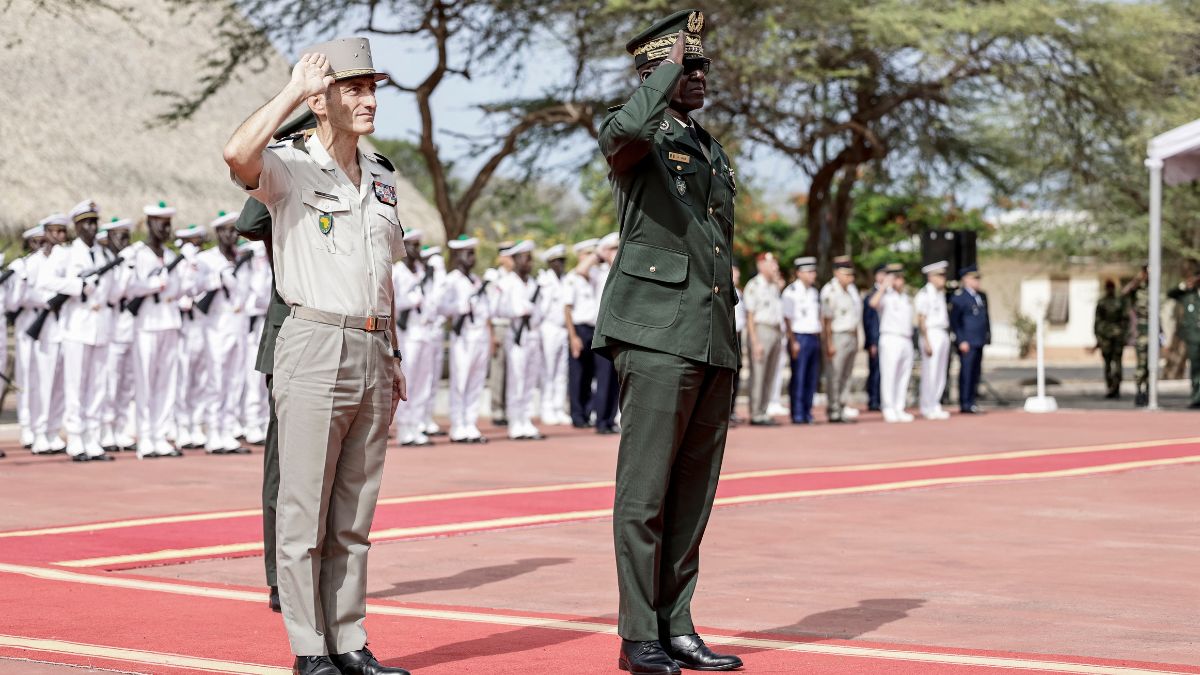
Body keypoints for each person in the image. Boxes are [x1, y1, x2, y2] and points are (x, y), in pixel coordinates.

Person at [223, 37, 410, 675]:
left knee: (354, 514)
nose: (367, 98)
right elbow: (236, 154)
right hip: (313, 341)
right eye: (352, 88)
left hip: (372, 345)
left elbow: (381, 270)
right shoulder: (289, 165)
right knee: (304, 510)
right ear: (321, 100)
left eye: (370, 87)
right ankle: (310, 648)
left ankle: (350, 641)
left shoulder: (382, 174)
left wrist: (395, 347)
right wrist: (289, 93)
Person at [593, 11, 743, 673]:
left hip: (709, 335)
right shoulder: (633, 132)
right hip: (654, 333)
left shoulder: (705, 143)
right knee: (645, 492)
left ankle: (677, 623)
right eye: (689, 66)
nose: (701, 76)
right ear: (657, 74)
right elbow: (626, 129)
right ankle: (638, 633)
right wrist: (661, 74)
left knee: (692, 493)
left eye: (704, 65)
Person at [41, 201, 119, 461]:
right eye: (86, 222)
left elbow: (113, 291)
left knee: (97, 385)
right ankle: (75, 437)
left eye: (94, 222)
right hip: (76, 327)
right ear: (75, 226)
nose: (91, 227)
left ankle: (92, 436)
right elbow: (46, 281)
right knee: (75, 385)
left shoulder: (106, 255)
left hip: (101, 326)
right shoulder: (65, 253)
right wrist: (77, 286)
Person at [195, 211, 255, 455]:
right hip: (216, 329)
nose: (232, 235)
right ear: (218, 233)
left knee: (235, 381)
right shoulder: (207, 260)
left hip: (238, 327)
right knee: (216, 381)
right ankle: (214, 431)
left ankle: (227, 430)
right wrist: (217, 280)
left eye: (234, 230)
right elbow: (195, 288)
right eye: (227, 230)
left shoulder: (243, 258)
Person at [440, 236, 494, 442]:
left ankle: (470, 423)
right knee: (460, 381)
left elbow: (487, 310)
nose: (473, 257)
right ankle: (457, 425)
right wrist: (459, 308)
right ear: (458, 255)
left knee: (476, 382)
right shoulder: (452, 280)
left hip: (479, 336)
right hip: (462, 337)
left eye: (473, 253)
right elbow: (441, 307)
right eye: (468, 253)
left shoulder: (477, 281)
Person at [29, 215, 70, 454]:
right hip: (44, 325)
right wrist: (47, 302)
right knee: (43, 383)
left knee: (59, 385)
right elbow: (29, 293)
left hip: (63, 325)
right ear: (45, 233)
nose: (60, 236)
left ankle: (54, 431)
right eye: (55, 231)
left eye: (63, 231)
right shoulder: (34, 262)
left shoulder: (66, 257)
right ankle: (39, 431)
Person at [498, 240, 546, 440]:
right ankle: (515, 421)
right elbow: (498, 309)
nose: (529, 262)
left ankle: (526, 420)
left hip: (533, 335)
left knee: (529, 380)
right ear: (516, 260)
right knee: (516, 379)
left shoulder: (535, 284)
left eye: (530, 258)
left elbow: (542, 311)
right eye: (525, 258)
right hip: (516, 334)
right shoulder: (506, 282)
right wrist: (518, 311)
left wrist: (534, 313)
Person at [391, 230, 435, 446]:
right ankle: (405, 428)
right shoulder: (397, 272)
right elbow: (390, 303)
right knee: (407, 382)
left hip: (424, 332)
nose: (417, 250)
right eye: (413, 245)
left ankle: (417, 425)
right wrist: (410, 302)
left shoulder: (423, 272)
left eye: (418, 245)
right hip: (407, 333)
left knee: (423, 383)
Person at [99, 218, 138, 453]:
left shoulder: (130, 262)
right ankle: (106, 429)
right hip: (110, 329)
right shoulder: (106, 263)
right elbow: (113, 295)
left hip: (129, 328)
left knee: (127, 384)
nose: (124, 240)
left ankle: (122, 429)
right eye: (119, 235)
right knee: (109, 383)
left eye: (126, 236)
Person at [10, 226, 46, 451]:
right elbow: (12, 303)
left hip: (46, 324)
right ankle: (26, 426)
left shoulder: (49, 265)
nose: (40, 247)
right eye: (35, 242)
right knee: (25, 378)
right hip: (26, 324)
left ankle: (41, 425)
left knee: (43, 379)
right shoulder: (20, 266)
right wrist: (22, 283)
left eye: (43, 242)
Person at [173, 223, 209, 450]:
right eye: (192, 241)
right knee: (182, 378)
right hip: (182, 327)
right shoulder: (177, 265)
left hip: (200, 325)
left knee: (201, 378)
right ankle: (181, 425)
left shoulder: (202, 264)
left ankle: (196, 423)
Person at [563, 238, 603, 428]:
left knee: (591, 374)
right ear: (581, 256)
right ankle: (577, 415)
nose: (593, 258)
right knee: (577, 374)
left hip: (595, 329)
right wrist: (573, 336)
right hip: (579, 329)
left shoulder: (596, 275)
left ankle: (588, 412)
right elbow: (567, 309)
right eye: (588, 254)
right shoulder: (573, 277)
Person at [870, 263, 915, 423]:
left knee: (903, 375)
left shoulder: (905, 297)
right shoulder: (885, 296)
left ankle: (899, 407)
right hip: (890, 338)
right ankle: (888, 407)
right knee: (889, 374)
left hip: (906, 338)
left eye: (900, 277)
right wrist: (884, 286)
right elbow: (873, 303)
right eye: (895, 277)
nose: (899, 281)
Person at [743, 252, 783, 425]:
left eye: (775, 263)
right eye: (771, 264)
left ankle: (764, 410)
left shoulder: (773, 286)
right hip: (761, 330)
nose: (775, 267)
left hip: (775, 330)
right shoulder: (754, 285)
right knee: (758, 374)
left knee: (770, 373)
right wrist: (755, 341)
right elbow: (749, 316)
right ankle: (756, 412)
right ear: (760, 266)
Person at [820, 255, 861, 423]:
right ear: (837, 273)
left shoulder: (852, 290)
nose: (850, 278)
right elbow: (826, 321)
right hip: (837, 336)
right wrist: (828, 343)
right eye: (846, 274)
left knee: (846, 374)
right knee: (834, 374)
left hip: (851, 335)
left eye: (851, 274)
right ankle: (834, 408)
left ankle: (843, 406)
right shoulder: (829, 291)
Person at [783, 257, 821, 425]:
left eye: (813, 271)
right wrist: (793, 341)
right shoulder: (791, 292)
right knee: (799, 376)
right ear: (799, 273)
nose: (813, 275)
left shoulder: (814, 292)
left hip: (813, 336)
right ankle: (797, 413)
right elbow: (787, 319)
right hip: (799, 337)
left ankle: (807, 411)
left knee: (812, 377)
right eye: (809, 271)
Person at [950, 265, 991, 414]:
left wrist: (987, 336)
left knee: (976, 372)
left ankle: (972, 400)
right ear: (966, 279)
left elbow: (985, 319)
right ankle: (965, 402)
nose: (977, 281)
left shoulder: (981, 296)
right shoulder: (960, 298)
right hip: (967, 341)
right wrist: (961, 340)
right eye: (974, 278)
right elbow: (956, 322)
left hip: (979, 339)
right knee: (966, 372)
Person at [537, 245, 571, 426]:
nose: (562, 264)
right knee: (548, 370)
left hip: (562, 329)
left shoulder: (565, 280)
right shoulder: (545, 281)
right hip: (549, 328)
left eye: (563, 261)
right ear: (551, 263)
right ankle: (546, 407)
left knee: (561, 371)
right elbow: (542, 309)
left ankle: (559, 408)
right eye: (558, 261)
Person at [915, 260, 952, 420]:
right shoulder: (925, 293)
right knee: (930, 371)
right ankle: (926, 405)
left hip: (942, 332)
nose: (943, 278)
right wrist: (926, 340)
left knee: (940, 371)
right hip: (931, 333)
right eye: (940, 275)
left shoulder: (940, 293)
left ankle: (935, 403)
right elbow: (921, 319)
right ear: (931, 277)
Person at [488, 242, 515, 426]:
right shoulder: (493, 276)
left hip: (513, 325)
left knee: (514, 370)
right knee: (498, 370)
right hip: (498, 325)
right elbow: (487, 307)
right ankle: (497, 409)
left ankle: (510, 409)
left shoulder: (515, 278)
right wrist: (491, 333)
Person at [1166, 265, 1200, 408]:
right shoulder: (1187, 294)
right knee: (1196, 369)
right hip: (1194, 338)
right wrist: (1185, 284)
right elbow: (1171, 293)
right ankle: (1196, 398)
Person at [1092, 279, 1129, 399]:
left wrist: (1124, 335)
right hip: (1106, 337)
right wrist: (1098, 338)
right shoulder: (1102, 302)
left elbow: (1125, 320)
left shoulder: (1118, 302)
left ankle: (1116, 387)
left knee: (1116, 363)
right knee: (1108, 364)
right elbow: (1097, 322)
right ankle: (1110, 388)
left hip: (1115, 337)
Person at [1122, 266, 1151, 407]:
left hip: (1153, 330)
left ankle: (1149, 392)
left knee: (1151, 365)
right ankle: (1139, 391)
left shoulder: (1155, 287)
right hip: (1142, 329)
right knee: (1141, 364)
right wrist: (1138, 279)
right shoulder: (1137, 289)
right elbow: (1124, 293)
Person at [862, 264, 885, 412]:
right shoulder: (871, 295)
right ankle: (873, 400)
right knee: (875, 371)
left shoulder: (890, 294)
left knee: (885, 372)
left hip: (889, 337)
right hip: (876, 339)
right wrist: (871, 342)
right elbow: (868, 321)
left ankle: (883, 399)